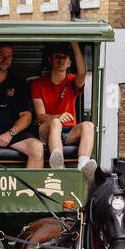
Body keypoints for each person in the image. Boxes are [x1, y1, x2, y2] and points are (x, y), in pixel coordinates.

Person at [31, 41, 97, 175]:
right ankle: (58, 165)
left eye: (64, 57)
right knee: (56, 123)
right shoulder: (38, 84)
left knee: (89, 126)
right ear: (50, 60)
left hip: (68, 132)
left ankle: (83, 166)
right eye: (57, 56)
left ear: (69, 62)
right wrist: (58, 117)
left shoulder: (72, 81)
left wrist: (74, 44)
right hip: (47, 129)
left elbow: (82, 73)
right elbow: (40, 116)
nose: (61, 60)